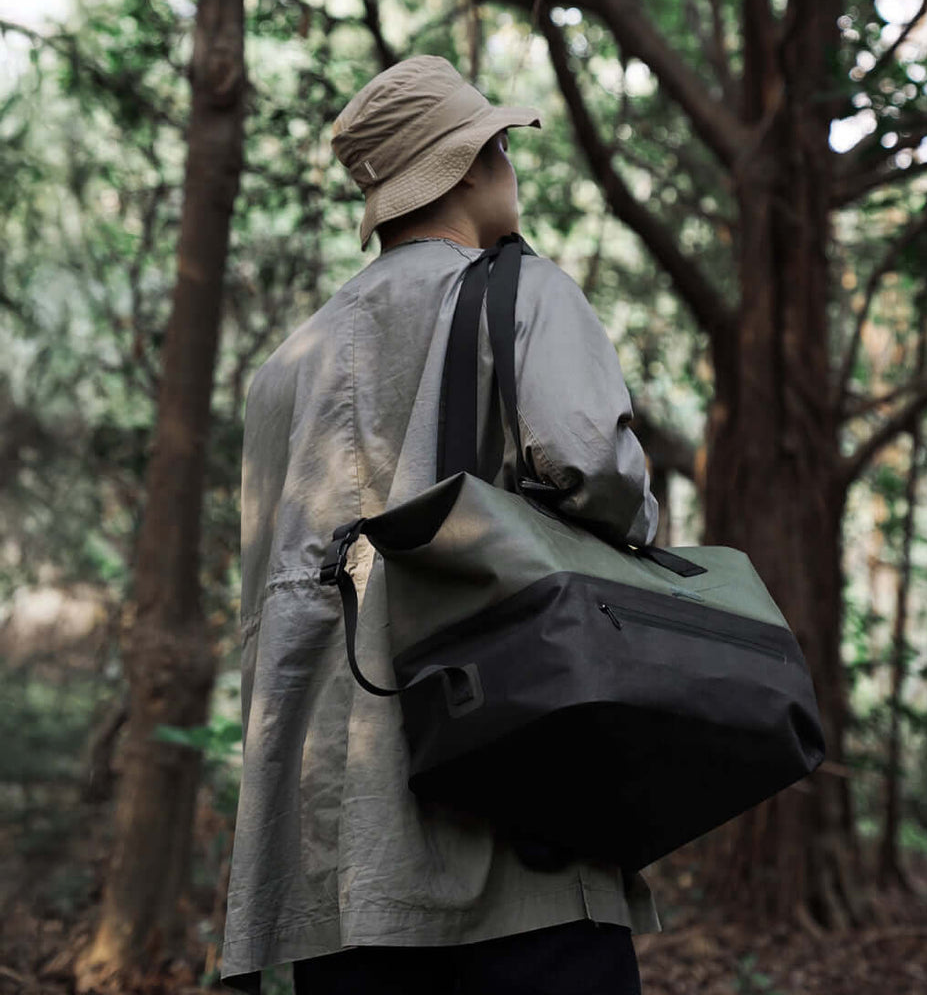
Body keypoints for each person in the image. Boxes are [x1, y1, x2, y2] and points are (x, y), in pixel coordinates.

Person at [221, 54, 661, 995]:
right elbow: (598, 472)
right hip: (508, 823)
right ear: (466, 165)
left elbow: (270, 605)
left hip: (334, 859)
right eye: (500, 144)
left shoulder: (282, 369)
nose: (510, 164)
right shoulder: (523, 292)